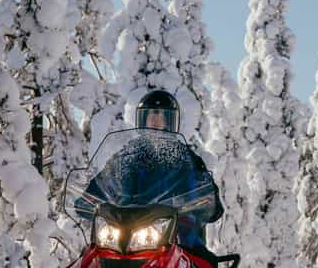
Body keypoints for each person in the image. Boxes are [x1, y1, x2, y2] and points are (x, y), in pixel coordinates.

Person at [78, 90, 222, 255]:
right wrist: (89, 201)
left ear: (169, 121)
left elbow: (198, 188)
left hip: (173, 236)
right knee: (86, 263)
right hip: (126, 233)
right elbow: (105, 182)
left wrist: (206, 202)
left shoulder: (185, 158)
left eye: (161, 116)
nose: (155, 121)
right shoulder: (127, 156)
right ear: (142, 119)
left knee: (200, 264)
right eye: (151, 115)